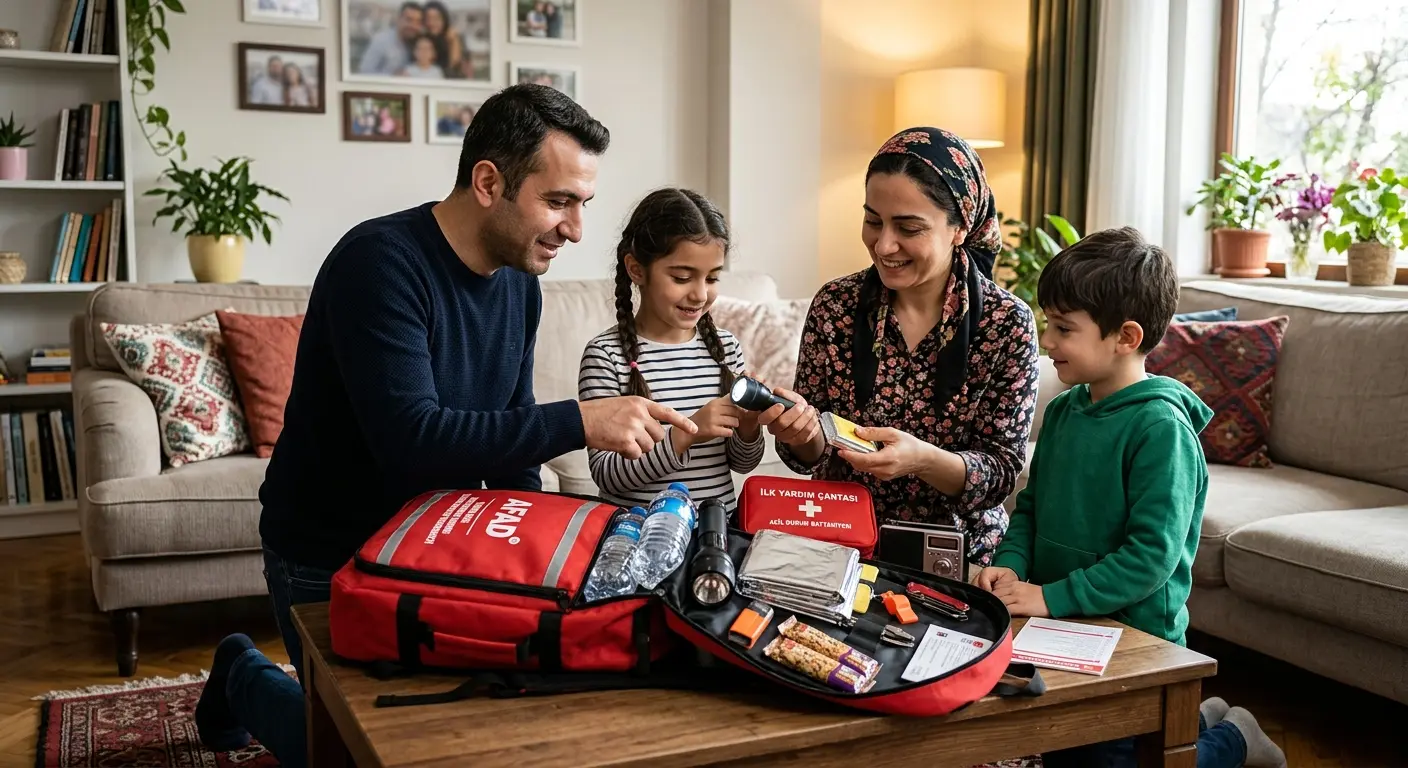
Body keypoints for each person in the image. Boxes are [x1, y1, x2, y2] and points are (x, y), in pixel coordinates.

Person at [193, 83, 697, 768]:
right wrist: (580, 421)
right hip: (329, 551)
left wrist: (529, 549)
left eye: (583, 206)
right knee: (348, 756)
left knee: (474, 731)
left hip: (440, 541)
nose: (576, 230)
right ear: (489, 181)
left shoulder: (520, 281)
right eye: (558, 202)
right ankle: (241, 675)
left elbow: (511, 426)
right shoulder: (379, 265)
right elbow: (413, 439)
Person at [977, 227, 1286, 768]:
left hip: (1136, 640)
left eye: (1064, 328)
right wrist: (1010, 565)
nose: (1047, 341)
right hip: (1064, 627)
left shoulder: (1160, 428)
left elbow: (1150, 558)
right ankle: (1195, 721)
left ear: (1124, 337)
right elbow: (1028, 510)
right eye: (1049, 323)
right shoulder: (1064, 412)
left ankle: (1235, 737)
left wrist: (1048, 598)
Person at [768, 127, 1039, 570]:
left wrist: (924, 461)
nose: (883, 244)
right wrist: (803, 434)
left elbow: (1002, 474)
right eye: (873, 220)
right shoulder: (835, 305)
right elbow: (807, 457)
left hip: (956, 557)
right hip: (839, 546)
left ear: (959, 227)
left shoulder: (1007, 324)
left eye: (908, 228)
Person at [578, 188, 765, 510]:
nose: (700, 295)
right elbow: (607, 475)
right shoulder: (605, 356)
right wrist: (686, 433)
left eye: (712, 278)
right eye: (682, 278)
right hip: (635, 532)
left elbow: (742, 464)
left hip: (715, 533)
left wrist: (749, 427)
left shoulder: (726, 348)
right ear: (636, 270)